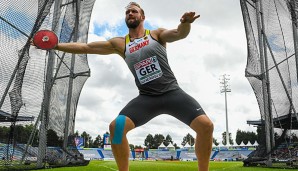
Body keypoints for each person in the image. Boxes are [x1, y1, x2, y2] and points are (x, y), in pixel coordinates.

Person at [35, 2, 214, 171]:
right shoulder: (120, 43)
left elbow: (179, 33)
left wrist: (186, 23)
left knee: (206, 126)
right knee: (116, 127)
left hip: (172, 93)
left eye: (134, 11)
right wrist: (55, 45)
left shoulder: (156, 35)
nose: (130, 13)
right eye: (127, 12)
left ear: (142, 16)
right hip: (147, 98)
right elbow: (86, 47)